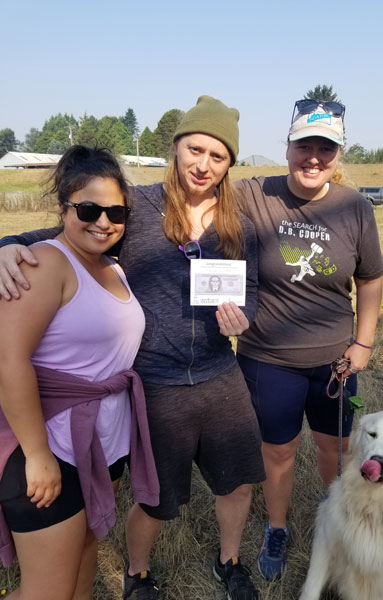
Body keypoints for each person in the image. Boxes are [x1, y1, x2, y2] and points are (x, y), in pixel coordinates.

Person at [0, 96, 265, 600]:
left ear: (229, 163)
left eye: (217, 155)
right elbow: (61, 233)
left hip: (218, 373)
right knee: (156, 493)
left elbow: (248, 289)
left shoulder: (238, 226)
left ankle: (230, 563)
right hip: (154, 383)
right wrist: (6, 245)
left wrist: (243, 317)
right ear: (176, 148)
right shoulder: (134, 208)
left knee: (238, 480)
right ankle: (137, 573)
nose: (203, 164)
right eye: (195, 149)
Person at [232, 99, 383, 581]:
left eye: (326, 148)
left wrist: (363, 343)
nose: (313, 158)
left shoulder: (354, 207)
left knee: (335, 447)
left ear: (338, 153)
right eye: (304, 145)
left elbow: (371, 278)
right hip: (268, 358)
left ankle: (335, 517)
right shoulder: (254, 194)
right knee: (278, 452)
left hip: (335, 362)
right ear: (288, 146)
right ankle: (277, 527)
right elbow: (183, 201)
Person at [0, 145, 159, 600]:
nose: (103, 222)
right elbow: (8, 360)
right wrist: (37, 455)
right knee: (47, 591)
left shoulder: (112, 266)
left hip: (102, 442)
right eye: (88, 209)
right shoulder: (46, 263)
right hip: (49, 446)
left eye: (116, 212)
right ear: (63, 208)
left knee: (85, 558)